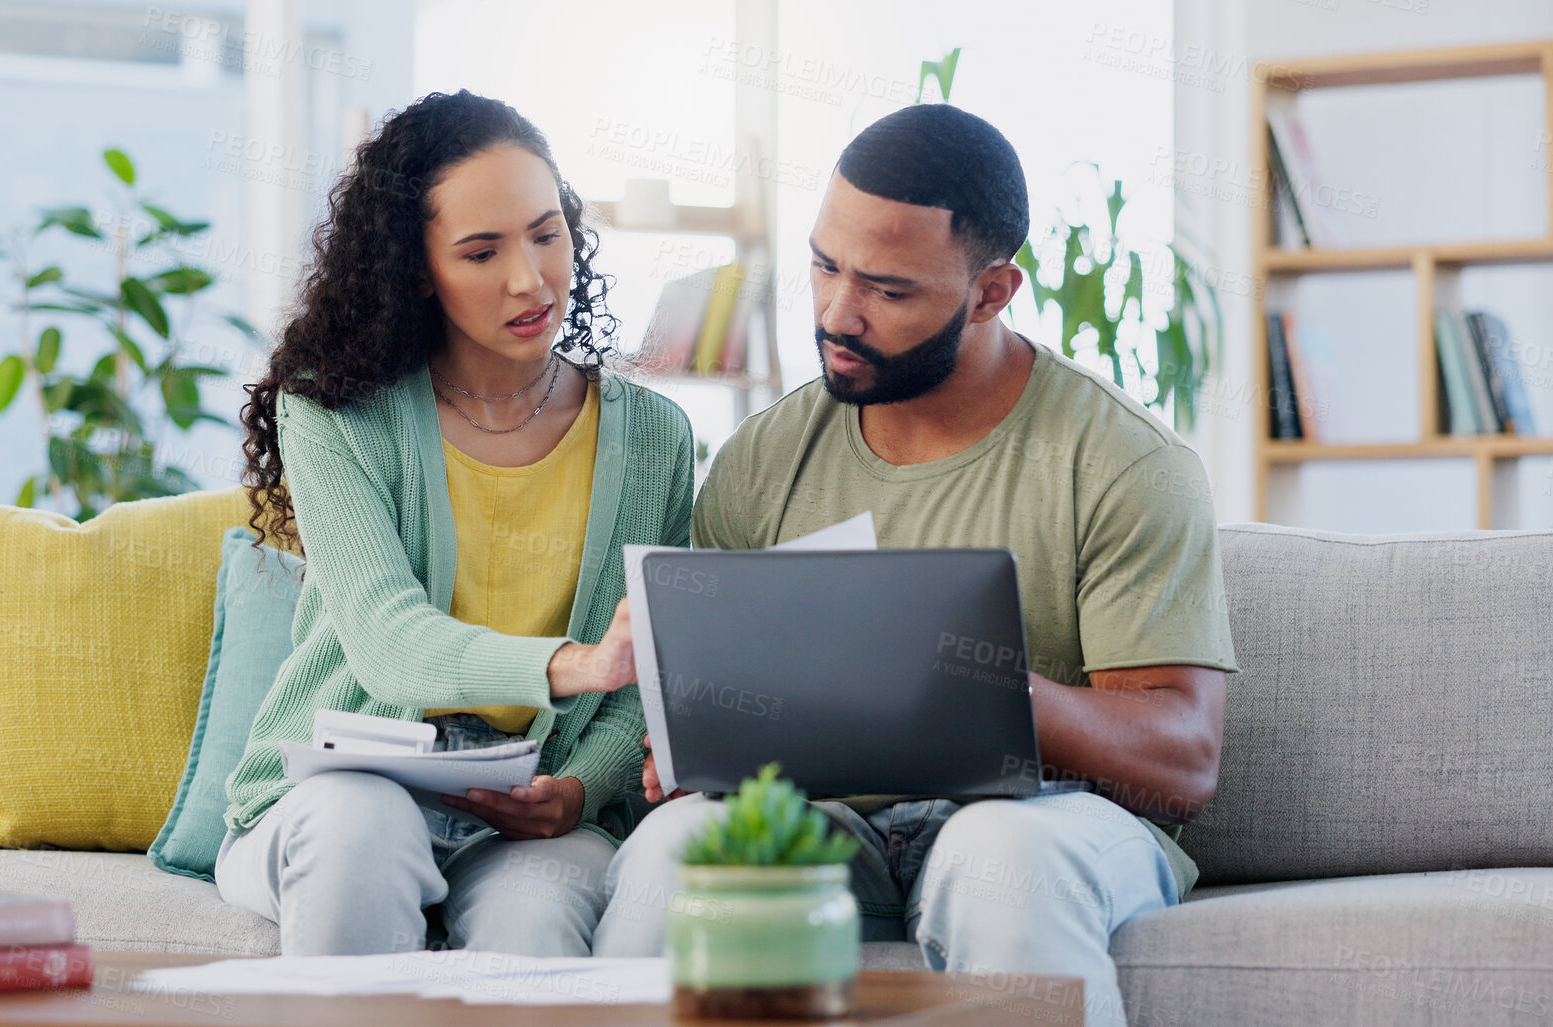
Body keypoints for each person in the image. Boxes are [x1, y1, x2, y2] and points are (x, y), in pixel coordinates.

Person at [590, 103, 1238, 1027]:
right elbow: (710, 709)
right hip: (826, 823)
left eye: (889, 291)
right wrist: (692, 748)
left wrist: (968, 685)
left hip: (1041, 822)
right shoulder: (764, 456)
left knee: (997, 852)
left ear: (990, 291)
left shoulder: (1121, 461)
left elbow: (1181, 762)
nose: (835, 313)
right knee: (681, 848)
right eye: (823, 265)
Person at [216, 90, 692, 958]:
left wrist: (580, 788)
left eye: (547, 234)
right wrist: (574, 662)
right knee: (361, 825)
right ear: (414, 269)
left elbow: (645, 684)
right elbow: (387, 640)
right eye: (482, 252)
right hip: (340, 785)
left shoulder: (654, 435)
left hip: (526, 805)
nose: (530, 278)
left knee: (538, 914)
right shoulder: (337, 412)